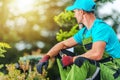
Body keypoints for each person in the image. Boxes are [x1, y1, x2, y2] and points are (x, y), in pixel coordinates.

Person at [36, 0, 120, 80]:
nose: (74, 15)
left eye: (75, 11)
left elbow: (97, 54)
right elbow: (63, 44)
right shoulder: (84, 32)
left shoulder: (101, 28)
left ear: (81, 12)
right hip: (99, 68)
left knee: (80, 61)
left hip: (113, 72)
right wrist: (46, 57)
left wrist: (72, 59)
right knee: (62, 52)